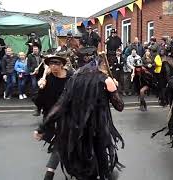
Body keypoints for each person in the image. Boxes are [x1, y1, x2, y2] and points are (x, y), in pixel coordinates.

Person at [34, 52, 125, 180]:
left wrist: (41, 127)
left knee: (83, 166)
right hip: (97, 131)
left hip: (76, 130)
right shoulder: (106, 80)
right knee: (100, 163)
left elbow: (60, 105)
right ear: (101, 65)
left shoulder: (73, 80)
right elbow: (120, 106)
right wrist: (115, 88)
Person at [33, 52, 73, 180]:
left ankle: (49, 173)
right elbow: (40, 102)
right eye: (51, 63)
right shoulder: (48, 79)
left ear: (62, 65)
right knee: (61, 142)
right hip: (52, 115)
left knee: (62, 141)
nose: (54, 66)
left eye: (56, 63)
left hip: (69, 115)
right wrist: (41, 88)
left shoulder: (71, 78)